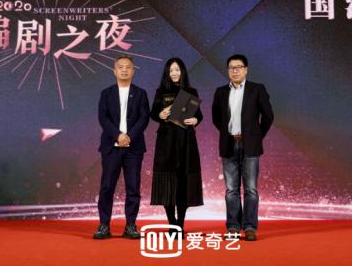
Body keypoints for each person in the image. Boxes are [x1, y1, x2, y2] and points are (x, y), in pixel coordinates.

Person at [211, 54, 273, 241]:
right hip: (228, 144)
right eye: (231, 67)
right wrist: (229, 134)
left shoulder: (257, 89)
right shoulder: (221, 91)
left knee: (251, 189)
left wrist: (256, 135)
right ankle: (232, 227)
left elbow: (268, 116)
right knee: (231, 190)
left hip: (250, 145)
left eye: (238, 67)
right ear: (228, 70)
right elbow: (216, 118)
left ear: (246, 69)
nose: (235, 70)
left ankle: (250, 227)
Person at [93, 56, 150, 239]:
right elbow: (103, 118)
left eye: (128, 67)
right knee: (107, 187)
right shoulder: (106, 93)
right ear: (114, 71)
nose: (124, 70)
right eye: (120, 67)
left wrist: (129, 136)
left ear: (133, 71)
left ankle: (131, 225)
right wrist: (118, 136)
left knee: (133, 188)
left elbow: (144, 118)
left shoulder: (140, 94)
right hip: (111, 147)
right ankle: (104, 225)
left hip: (134, 148)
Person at [149, 58, 203, 237]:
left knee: (183, 182)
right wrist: (160, 114)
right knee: (167, 183)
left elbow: (199, 115)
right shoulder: (161, 92)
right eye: (171, 70)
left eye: (177, 70)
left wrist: (195, 120)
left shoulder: (191, 92)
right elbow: (153, 114)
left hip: (186, 142)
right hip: (166, 142)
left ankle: (180, 223)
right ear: (167, 73)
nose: (174, 73)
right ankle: (172, 223)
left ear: (183, 71)